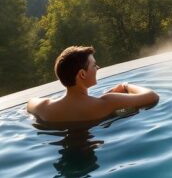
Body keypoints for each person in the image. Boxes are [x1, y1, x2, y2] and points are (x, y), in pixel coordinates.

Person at [27, 46, 159, 123]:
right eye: (94, 65)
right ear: (82, 74)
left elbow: (30, 103)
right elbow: (152, 96)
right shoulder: (107, 103)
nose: (98, 68)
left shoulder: (44, 107)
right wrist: (125, 86)